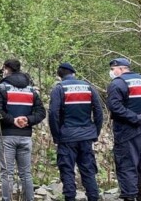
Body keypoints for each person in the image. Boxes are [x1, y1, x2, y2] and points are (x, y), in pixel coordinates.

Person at [106, 58, 141, 201]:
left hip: (127, 132)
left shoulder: (118, 83)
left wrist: (138, 118)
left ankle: (130, 196)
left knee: (127, 166)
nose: (112, 72)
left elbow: (115, 107)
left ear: (121, 69)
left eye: (113, 69)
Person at [0, 59, 46, 201]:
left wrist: (12, 120)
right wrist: (27, 120)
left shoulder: (2, 88)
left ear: (6, 69)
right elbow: (41, 112)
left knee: (7, 173)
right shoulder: (31, 89)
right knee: (25, 173)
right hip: (25, 136)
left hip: (7, 135)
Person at [48, 63, 103, 201]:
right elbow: (98, 111)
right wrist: (95, 131)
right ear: (73, 73)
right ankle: (93, 197)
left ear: (60, 75)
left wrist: (56, 135)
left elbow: (53, 113)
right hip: (86, 136)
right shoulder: (88, 87)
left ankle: (70, 198)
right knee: (88, 170)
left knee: (67, 171)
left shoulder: (59, 88)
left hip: (67, 136)